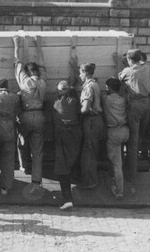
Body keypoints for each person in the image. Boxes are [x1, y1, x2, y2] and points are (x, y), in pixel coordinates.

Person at [13, 36, 47, 196]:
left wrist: (16, 44)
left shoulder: (25, 82)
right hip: (40, 116)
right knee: (38, 150)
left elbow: (17, 62)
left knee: (20, 141)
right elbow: (42, 64)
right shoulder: (43, 81)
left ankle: (23, 166)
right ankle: (36, 179)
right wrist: (38, 46)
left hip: (25, 116)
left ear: (28, 72)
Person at [119, 49, 150, 183]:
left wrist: (121, 64)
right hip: (148, 104)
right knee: (139, 138)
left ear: (130, 61)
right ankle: (135, 167)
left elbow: (121, 76)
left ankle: (131, 175)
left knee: (132, 142)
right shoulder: (146, 68)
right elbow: (136, 67)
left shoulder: (128, 71)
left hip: (136, 106)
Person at [52, 80, 82, 210]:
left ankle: (67, 199)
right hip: (75, 136)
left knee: (62, 168)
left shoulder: (56, 104)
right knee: (73, 163)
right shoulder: (75, 102)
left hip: (62, 138)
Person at [102, 77, 129, 200]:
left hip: (114, 131)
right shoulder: (123, 99)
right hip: (125, 130)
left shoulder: (107, 99)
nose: (105, 88)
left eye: (107, 87)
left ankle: (119, 191)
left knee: (116, 164)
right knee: (119, 159)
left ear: (111, 88)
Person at [78, 63, 103, 189]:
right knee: (91, 151)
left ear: (86, 73)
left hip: (91, 121)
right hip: (95, 121)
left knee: (89, 152)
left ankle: (89, 182)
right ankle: (90, 181)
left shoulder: (89, 87)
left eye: (80, 73)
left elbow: (86, 108)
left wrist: (76, 113)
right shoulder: (94, 84)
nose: (79, 75)